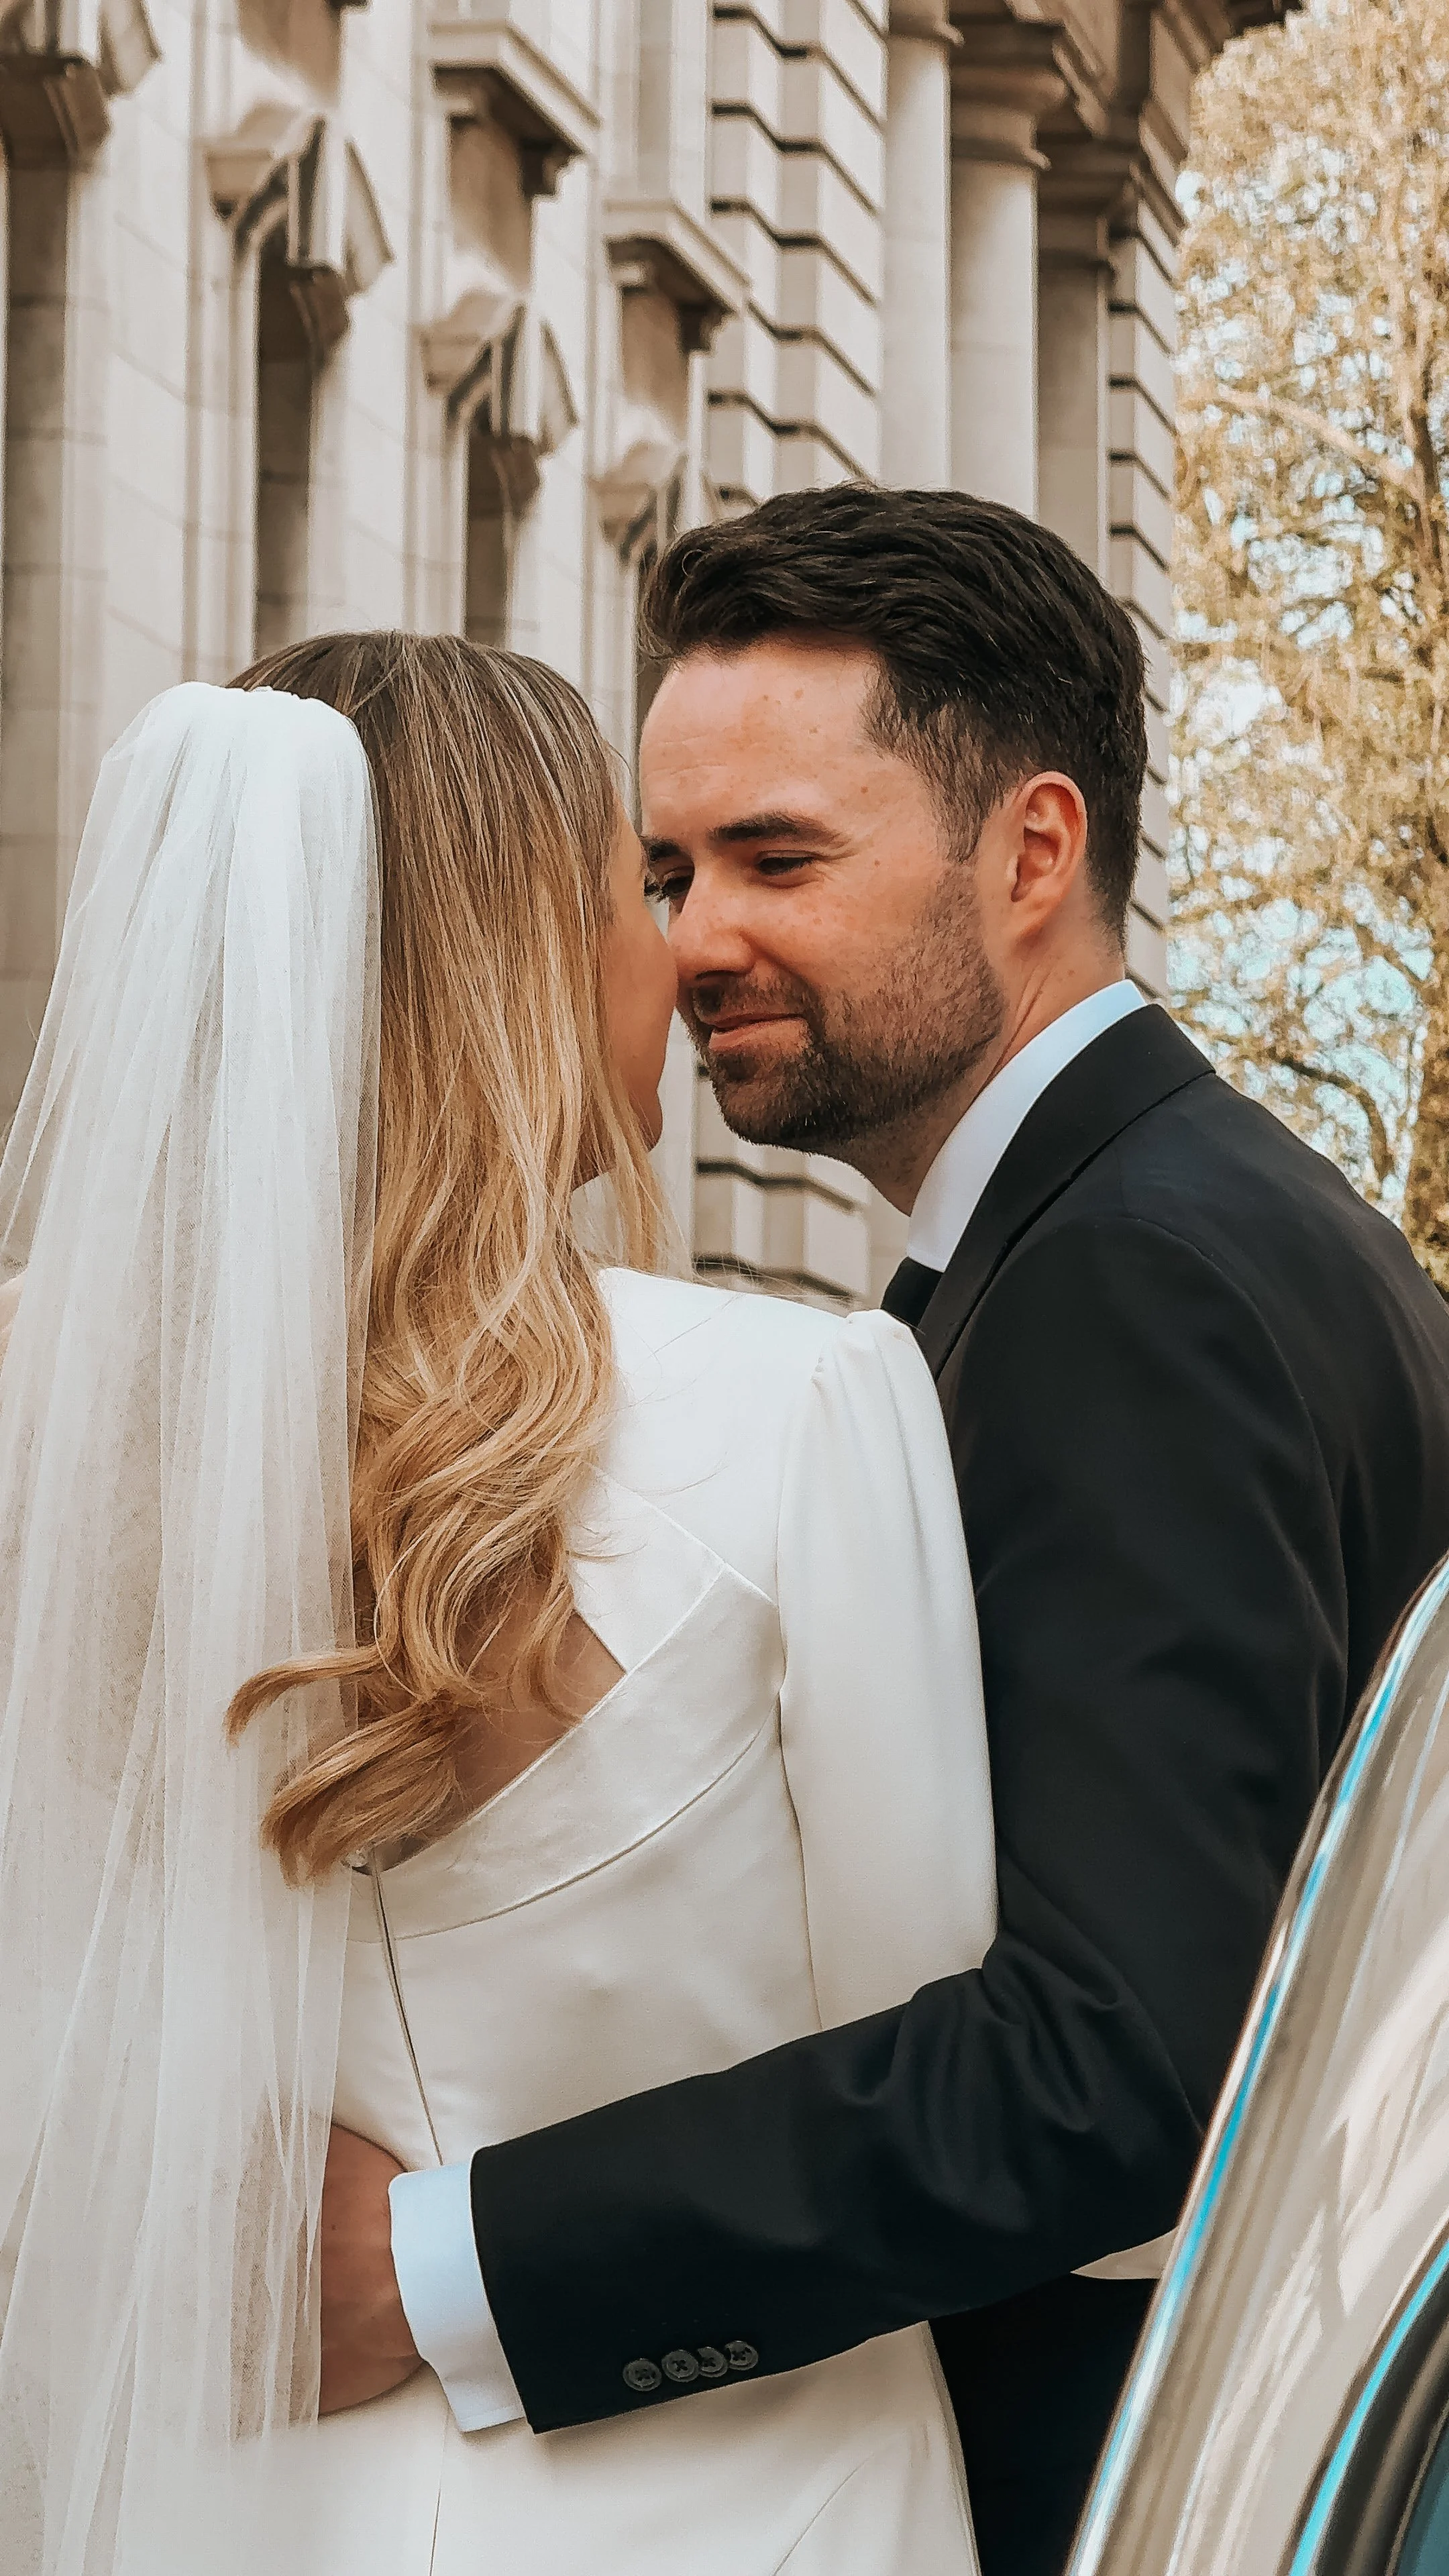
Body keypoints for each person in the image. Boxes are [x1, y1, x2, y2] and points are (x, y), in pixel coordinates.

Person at [317, 490, 1449, 2576]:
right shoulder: (1120, 1239)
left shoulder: (1141, 1282)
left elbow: (1115, 2071)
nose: (690, 938)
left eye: (779, 860)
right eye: (664, 870)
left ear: (1033, 852)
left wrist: (441, 2266)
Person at [0, 635, 994, 2576]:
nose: (683, 950)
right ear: (509, 957)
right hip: (744, 2509)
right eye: (637, 885)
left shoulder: (44, 1443)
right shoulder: (799, 1409)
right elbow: (925, 2068)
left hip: (197, 2507)